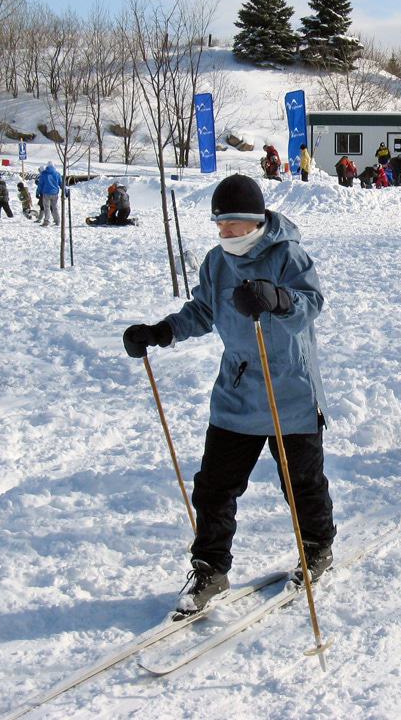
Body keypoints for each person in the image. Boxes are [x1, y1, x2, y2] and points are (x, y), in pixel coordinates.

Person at [122, 174, 336, 616]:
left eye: (229, 225)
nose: (222, 233)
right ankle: (210, 568)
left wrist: (277, 299)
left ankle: (316, 548)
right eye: (218, 225)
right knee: (214, 487)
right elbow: (203, 309)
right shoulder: (217, 262)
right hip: (237, 392)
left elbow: (310, 304)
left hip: (289, 391)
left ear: (252, 222)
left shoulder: (287, 254)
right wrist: (162, 331)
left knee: (302, 484)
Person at [36, 162, 62, 227]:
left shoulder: (44, 174)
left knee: (46, 208)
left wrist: (38, 192)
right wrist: (65, 191)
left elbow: (40, 185)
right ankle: (57, 221)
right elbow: (61, 184)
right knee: (55, 207)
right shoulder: (57, 174)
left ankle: (46, 221)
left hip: (46, 194)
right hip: (55, 193)